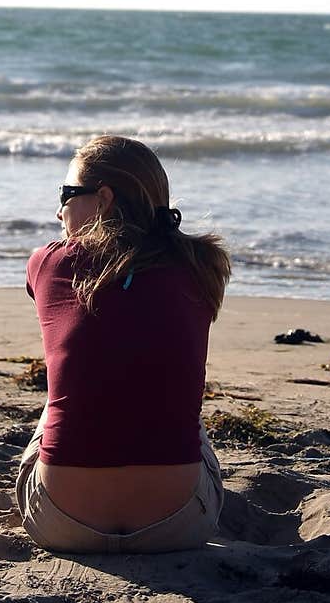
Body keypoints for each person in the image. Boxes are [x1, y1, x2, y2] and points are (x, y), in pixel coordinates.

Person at [15, 134, 231, 553]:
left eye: (66, 194)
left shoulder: (48, 262)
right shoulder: (200, 266)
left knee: (62, 394)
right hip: (180, 524)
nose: (58, 211)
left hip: (61, 522)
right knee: (178, 403)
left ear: (104, 199)